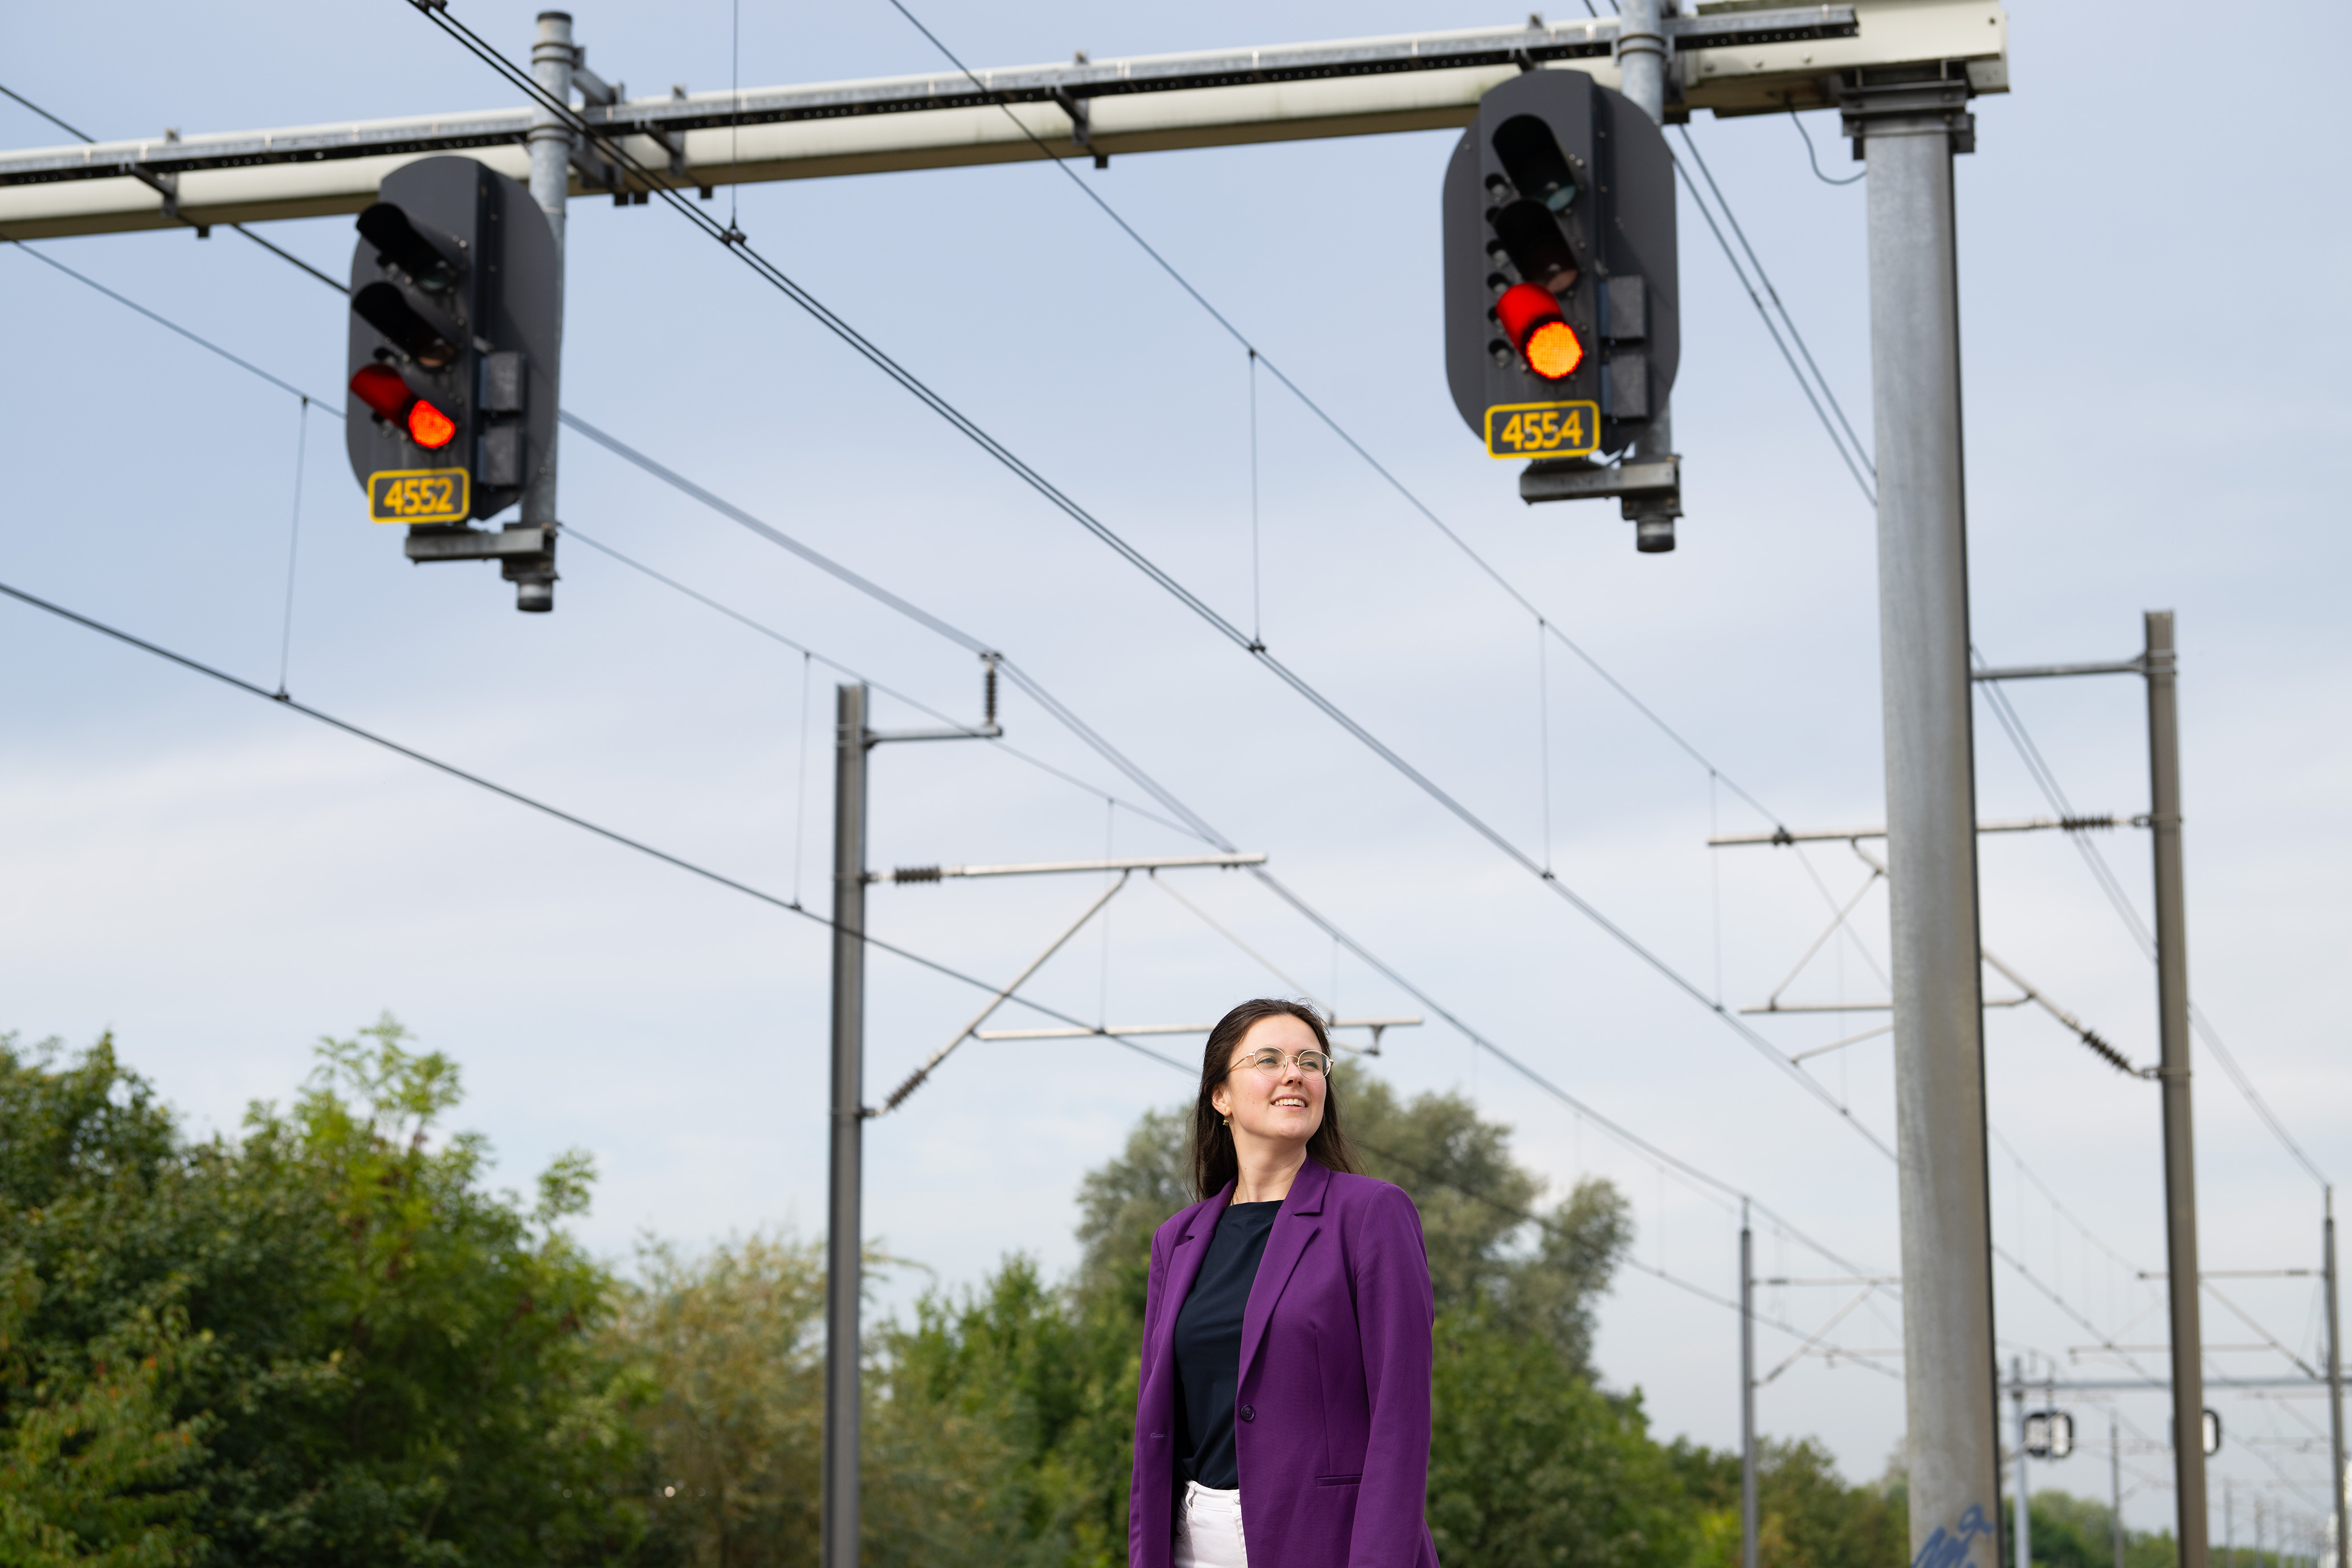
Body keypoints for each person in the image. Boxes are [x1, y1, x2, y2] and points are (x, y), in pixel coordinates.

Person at [1128, 998, 1441, 1568]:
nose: (1294, 1072)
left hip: (1325, 1543)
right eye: (1268, 1059)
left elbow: (1401, 1419)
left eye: (1311, 1061)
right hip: (1192, 1543)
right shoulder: (1176, 1240)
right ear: (1220, 1095)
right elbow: (1158, 1430)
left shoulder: (1372, 1214)